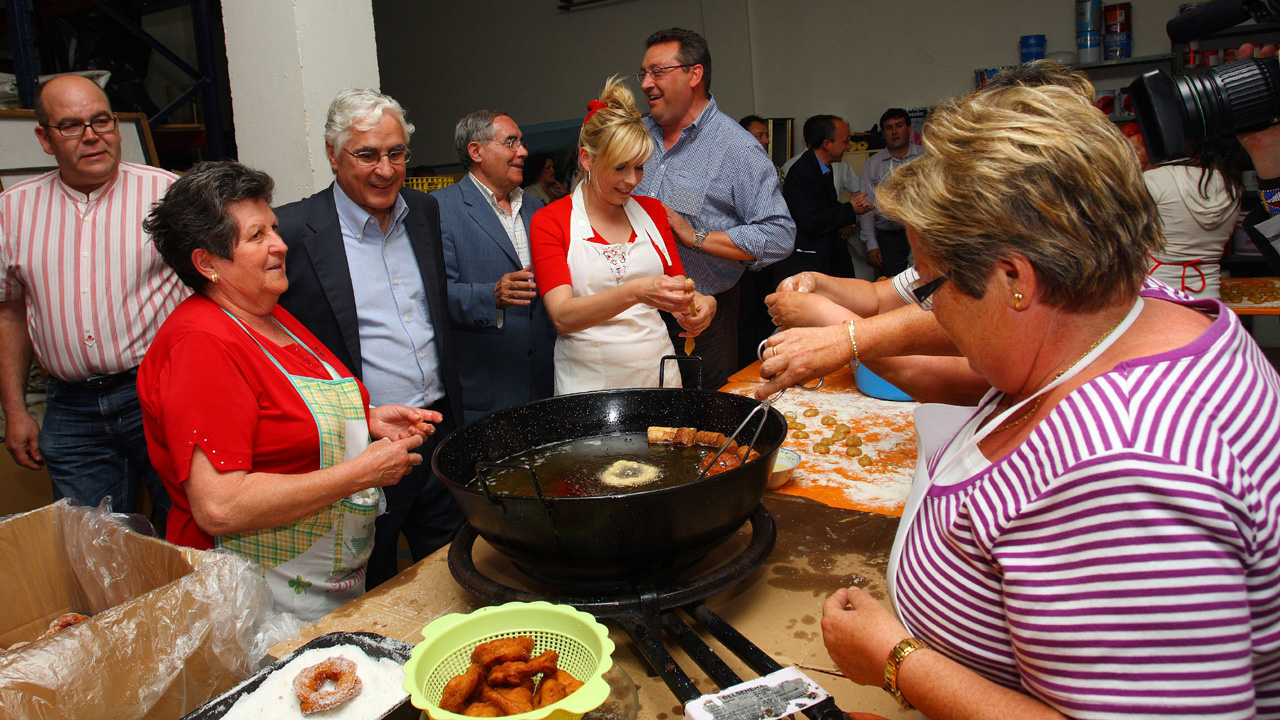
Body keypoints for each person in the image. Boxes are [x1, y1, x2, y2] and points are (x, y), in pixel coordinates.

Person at [764, 83, 1280, 717]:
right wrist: (850, 335)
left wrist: (898, 659)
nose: (928, 312)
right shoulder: (1130, 317)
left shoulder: (1126, 473)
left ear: (1015, 280)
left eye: (931, 289)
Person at [138, 161, 438, 622]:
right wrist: (360, 473)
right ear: (206, 262)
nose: (280, 244)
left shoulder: (270, 315)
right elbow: (220, 505)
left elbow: (284, 414)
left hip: (320, 586)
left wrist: (367, 419)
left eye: (274, 228)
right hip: (254, 598)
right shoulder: (201, 344)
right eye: (257, 236)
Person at [275, 89, 463, 589]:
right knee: (368, 573)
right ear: (334, 157)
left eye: (396, 153)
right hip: (362, 440)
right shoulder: (294, 229)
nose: (385, 169)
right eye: (367, 155)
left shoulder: (423, 212)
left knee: (451, 563)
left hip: (437, 425)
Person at [0, 74, 184, 529]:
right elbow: (11, 312)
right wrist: (16, 409)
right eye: (71, 125)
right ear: (44, 138)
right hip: (71, 411)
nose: (91, 136)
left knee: (189, 535)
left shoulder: (169, 196)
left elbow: (215, 292)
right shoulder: (13, 209)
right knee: (91, 551)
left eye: (101, 120)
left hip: (158, 394)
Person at [530, 76, 716, 394]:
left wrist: (702, 305)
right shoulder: (550, 220)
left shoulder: (653, 212)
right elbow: (562, 316)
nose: (632, 181)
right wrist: (634, 292)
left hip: (658, 376)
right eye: (620, 168)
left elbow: (679, 290)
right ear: (587, 158)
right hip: (588, 385)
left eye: (640, 167)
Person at [633, 27, 794, 391]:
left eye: (658, 71)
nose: (645, 83)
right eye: (643, 73)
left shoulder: (736, 148)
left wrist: (697, 236)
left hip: (702, 316)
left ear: (694, 74)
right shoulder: (635, 137)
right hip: (634, 314)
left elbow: (779, 234)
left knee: (700, 423)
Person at [437, 111, 556, 423]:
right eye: (511, 143)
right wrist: (489, 296)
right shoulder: (441, 209)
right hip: (488, 387)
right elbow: (433, 296)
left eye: (522, 142)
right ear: (477, 152)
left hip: (544, 382)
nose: (523, 151)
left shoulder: (536, 208)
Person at [773, 115, 874, 284]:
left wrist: (853, 205)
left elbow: (826, 206)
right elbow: (812, 221)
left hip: (830, 254)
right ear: (827, 144)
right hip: (809, 261)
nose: (849, 147)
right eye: (845, 141)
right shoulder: (803, 172)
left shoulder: (824, 167)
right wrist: (850, 208)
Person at [1144, 137, 1244, 300]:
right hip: (1209, 295)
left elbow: (1124, 234)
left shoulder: (1156, 179)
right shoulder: (1232, 187)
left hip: (1158, 293)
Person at [858, 108, 922, 277]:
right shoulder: (873, 164)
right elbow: (866, 208)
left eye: (899, 125)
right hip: (889, 239)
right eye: (889, 127)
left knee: (925, 286)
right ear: (883, 132)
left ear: (909, 129)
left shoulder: (925, 158)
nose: (894, 132)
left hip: (923, 234)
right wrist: (871, 245)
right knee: (892, 288)